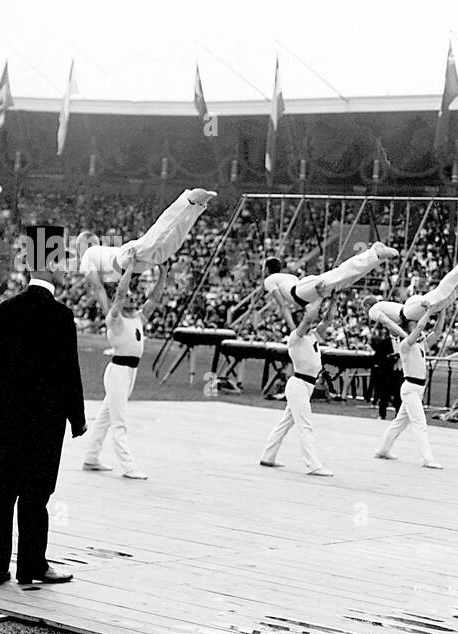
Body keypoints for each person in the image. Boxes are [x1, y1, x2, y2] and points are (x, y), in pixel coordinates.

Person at [0, 225, 86, 586]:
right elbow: (68, 373)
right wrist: (77, 419)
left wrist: (5, 407)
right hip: (44, 424)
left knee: (1, 495)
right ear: (52, 263)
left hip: (7, 421)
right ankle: (31, 566)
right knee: (35, 496)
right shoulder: (61, 316)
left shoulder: (5, 310)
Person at [80, 261, 168, 479]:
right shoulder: (114, 318)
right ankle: (129, 467)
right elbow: (118, 295)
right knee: (119, 422)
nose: (131, 299)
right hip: (118, 371)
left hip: (130, 372)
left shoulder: (138, 317)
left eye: (132, 296)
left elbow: (155, 298)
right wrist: (130, 268)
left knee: (105, 417)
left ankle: (91, 458)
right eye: (128, 296)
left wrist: (163, 273)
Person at [238, 241, 399, 330]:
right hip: (305, 290)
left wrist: (294, 329)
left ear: (266, 270)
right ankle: (378, 257)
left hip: (301, 292)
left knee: (340, 274)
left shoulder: (270, 279)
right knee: (345, 280)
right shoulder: (285, 276)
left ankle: (374, 252)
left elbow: (283, 307)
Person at [79, 188, 216, 290]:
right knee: (171, 242)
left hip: (126, 260)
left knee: (161, 237)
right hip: (131, 267)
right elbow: (93, 282)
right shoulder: (87, 256)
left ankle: (192, 202)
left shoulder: (98, 252)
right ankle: (195, 205)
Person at [259, 297, 335, 477]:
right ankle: (313, 465)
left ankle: (268, 456)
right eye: (302, 318)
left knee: (285, 423)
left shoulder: (313, 336)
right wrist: (321, 297)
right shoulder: (295, 337)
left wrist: (334, 298)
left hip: (305, 386)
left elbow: (328, 319)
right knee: (305, 426)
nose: (307, 320)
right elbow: (309, 318)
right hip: (299, 384)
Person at [374, 307, 443, 468]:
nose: (418, 325)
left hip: (417, 389)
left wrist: (441, 311)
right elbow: (419, 328)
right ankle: (427, 458)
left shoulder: (421, 344)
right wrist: (428, 311)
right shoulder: (405, 344)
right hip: (411, 387)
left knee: (399, 422)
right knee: (420, 423)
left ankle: (383, 450)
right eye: (413, 324)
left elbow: (438, 331)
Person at [368, 324, 401, 420]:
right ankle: (382, 414)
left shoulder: (404, 341)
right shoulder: (384, 342)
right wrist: (389, 357)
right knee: (384, 395)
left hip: (400, 371)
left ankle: (398, 415)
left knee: (399, 395)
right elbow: (378, 357)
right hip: (387, 373)